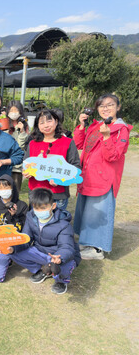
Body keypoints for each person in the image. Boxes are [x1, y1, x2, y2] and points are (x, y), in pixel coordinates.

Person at [73, 93, 132, 260]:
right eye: (101, 106)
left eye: (110, 105)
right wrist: (82, 126)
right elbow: (79, 143)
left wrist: (106, 137)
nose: (105, 109)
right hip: (87, 176)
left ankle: (97, 249)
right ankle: (85, 241)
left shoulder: (121, 130)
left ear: (118, 107)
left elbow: (113, 156)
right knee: (86, 210)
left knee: (97, 212)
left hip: (104, 178)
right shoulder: (96, 125)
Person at [9, 188, 81, 295]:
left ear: (53, 206)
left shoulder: (64, 224)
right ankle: (43, 270)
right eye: (36, 208)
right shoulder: (30, 216)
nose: (39, 211)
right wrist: (13, 248)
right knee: (15, 252)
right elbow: (26, 239)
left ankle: (61, 281)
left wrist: (59, 258)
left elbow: (67, 247)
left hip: (58, 255)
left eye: (43, 208)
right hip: (41, 251)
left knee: (64, 265)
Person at [23, 109, 80, 211]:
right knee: (36, 224)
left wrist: (61, 179)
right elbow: (26, 164)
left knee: (56, 224)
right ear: (38, 126)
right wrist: (27, 172)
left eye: (49, 121)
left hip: (57, 194)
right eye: (42, 122)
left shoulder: (68, 142)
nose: (46, 125)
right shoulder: (32, 143)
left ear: (56, 122)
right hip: (36, 192)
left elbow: (76, 167)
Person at [7, 100, 30, 191]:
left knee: (15, 189)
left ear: (20, 111)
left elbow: (21, 146)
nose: (13, 113)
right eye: (11, 110)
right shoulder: (4, 123)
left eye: (16, 110)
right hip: (5, 161)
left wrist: (22, 132)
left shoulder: (24, 125)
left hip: (17, 165)